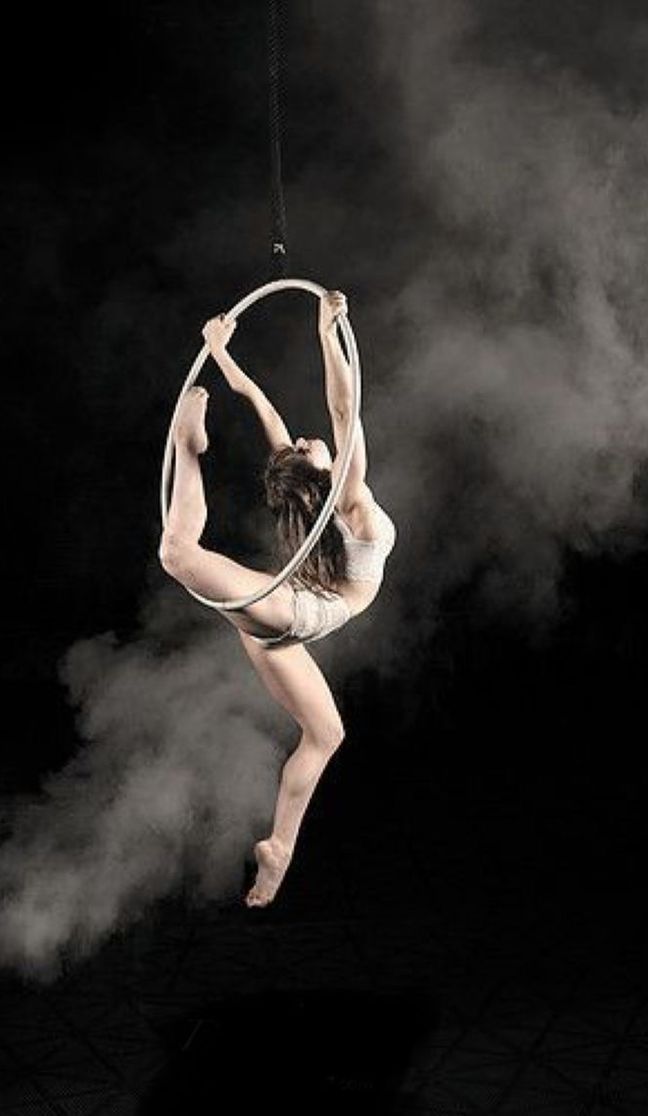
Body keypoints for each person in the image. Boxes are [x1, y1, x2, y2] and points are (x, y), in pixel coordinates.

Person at [159, 290, 396, 907]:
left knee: (325, 735)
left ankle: (280, 849)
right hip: (293, 614)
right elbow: (344, 410)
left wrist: (221, 352)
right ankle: (190, 447)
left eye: (306, 445)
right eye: (308, 449)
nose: (312, 440)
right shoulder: (348, 501)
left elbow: (276, 406)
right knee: (178, 555)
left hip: (285, 620)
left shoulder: (328, 497)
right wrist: (326, 332)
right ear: (324, 473)